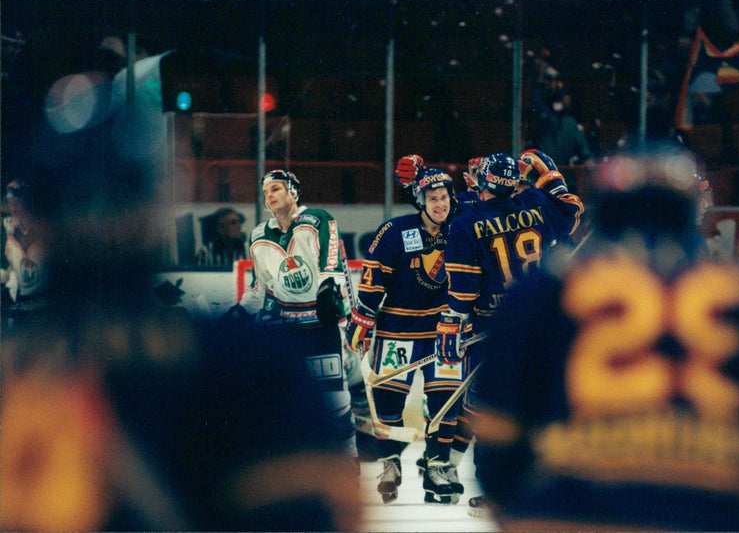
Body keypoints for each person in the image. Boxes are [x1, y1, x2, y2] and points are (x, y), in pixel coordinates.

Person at [469, 148, 739, 531]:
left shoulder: (541, 291)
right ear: (687, 211)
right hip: (713, 508)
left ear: (607, 211)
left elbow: (498, 447)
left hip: (573, 506)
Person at [435, 151, 585, 517]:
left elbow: (463, 291)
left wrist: (452, 326)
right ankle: (553, 482)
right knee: (549, 401)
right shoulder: (534, 201)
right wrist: (550, 176)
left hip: (495, 328)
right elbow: (571, 212)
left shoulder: (465, 224)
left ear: (482, 182)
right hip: (544, 321)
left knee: (496, 410)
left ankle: (495, 492)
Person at [346, 161, 466, 505]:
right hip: (397, 330)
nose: (440, 204)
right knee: (388, 399)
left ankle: (437, 465)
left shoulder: (461, 226)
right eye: (433, 199)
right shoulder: (395, 231)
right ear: (420, 202)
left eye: (444, 197)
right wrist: (362, 319)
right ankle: (390, 463)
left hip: (443, 331)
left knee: (445, 401)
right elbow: (372, 281)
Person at [225, 169, 357, 462]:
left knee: (336, 403)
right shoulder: (259, 235)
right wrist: (240, 313)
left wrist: (333, 296)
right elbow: (260, 286)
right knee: (282, 401)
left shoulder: (318, 219)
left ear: (293, 192)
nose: (268, 196)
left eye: (275, 189)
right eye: (265, 192)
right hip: (284, 330)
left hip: (319, 326)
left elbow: (332, 265)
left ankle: (348, 464)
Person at [1, 178, 51, 329]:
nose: (13, 206)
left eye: (18, 199)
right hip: (20, 305)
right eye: (10, 201)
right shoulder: (8, 229)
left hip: (44, 308)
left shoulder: (44, 229)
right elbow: (11, 272)